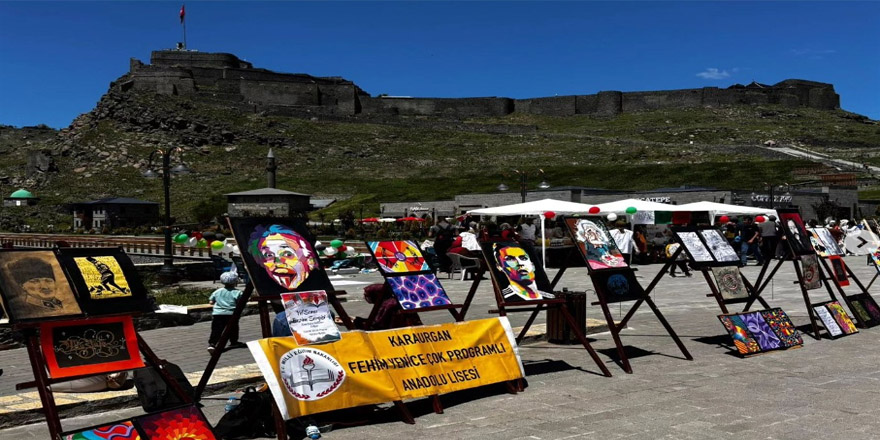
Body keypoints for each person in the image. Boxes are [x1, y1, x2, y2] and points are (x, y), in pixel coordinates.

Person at [208, 272, 245, 353]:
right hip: (231, 314)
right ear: (235, 282)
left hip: (218, 314)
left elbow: (211, 301)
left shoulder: (218, 291)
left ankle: (212, 344)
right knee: (233, 329)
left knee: (216, 329)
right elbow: (240, 302)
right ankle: (233, 342)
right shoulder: (238, 292)